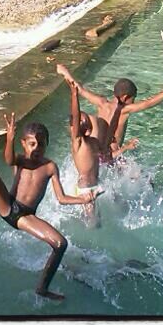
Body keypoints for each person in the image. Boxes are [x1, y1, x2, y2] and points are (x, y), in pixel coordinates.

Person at [0, 114, 99, 301]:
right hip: (8, 205)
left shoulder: (50, 167)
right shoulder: (20, 160)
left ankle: (42, 289)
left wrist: (83, 199)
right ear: (23, 143)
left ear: (47, 144)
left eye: (41, 144)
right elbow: (8, 160)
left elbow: (61, 198)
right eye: (32, 144)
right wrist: (9, 139)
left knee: (61, 244)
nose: (37, 148)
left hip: (25, 216)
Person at [56, 63, 163, 163]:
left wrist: (65, 72)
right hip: (112, 155)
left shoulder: (101, 103)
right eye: (134, 98)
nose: (134, 101)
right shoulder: (124, 110)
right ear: (126, 97)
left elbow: (80, 89)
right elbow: (148, 103)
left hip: (96, 153)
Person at [64, 77, 104, 228]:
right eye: (82, 123)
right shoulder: (78, 143)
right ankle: (89, 248)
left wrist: (124, 148)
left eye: (87, 121)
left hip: (97, 185)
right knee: (93, 223)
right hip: (85, 189)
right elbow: (76, 118)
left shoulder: (93, 142)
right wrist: (74, 96)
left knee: (101, 217)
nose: (86, 123)